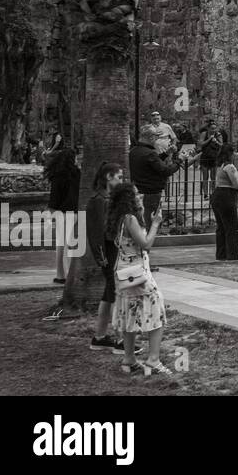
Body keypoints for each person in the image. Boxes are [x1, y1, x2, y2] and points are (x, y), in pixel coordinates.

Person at [106, 182, 171, 376]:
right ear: (128, 199)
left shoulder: (118, 219)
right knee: (156, 309)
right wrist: (156, 224)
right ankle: (153, 360)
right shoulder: (130, 219)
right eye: (136, 194)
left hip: (124, 273)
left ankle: (129, 360)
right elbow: (145, 244)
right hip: (138, 273)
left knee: (129, 313)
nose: (139, 195)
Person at [88, 162, 129, 352]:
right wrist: (101, 256)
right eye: (119, 177)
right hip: (108, 252)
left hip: (111, 250)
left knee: (108, 294)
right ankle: (121, 340)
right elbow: (96, 232)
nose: (121, 180)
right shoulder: (99, 200)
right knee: (115, 294)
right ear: (108, 177)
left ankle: (100, 336)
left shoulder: (106, 199)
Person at [210, 143, 238, 262]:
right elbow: (237, 184)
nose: (235, 154)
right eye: (234, 152)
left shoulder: (221, 166)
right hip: (226, 196)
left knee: (221, 227)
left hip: (217, 195)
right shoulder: (230, 167)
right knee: (232, 227)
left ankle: (221, 254)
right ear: (230, 154)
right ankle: (232, 255)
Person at [44, 147, 81, 284]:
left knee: (61, 244)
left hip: (61, 213)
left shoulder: (57, 175)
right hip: (76, 212)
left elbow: (54, 197)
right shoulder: (77, 173)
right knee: (73, 245)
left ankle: (61, 275)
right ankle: (72, 273)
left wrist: (52, 211)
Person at [128, 138, 178, 221]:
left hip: (139, 191)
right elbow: (166, 171)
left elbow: (151, 162)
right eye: (155, 138)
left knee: (142, 218)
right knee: (152, 221)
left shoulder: (134, 151)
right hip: (151, 193)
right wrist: (179, 161)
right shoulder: (150, 153)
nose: (156, 141)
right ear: (150, 138)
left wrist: (166, 153)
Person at [198, 119, 223, 198]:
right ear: (208, 128)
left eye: (215, 128)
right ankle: (205, 194)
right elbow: (200, 143)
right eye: (212, 128)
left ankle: (213, 193)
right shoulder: (204, 134)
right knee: (205, 177)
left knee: (213, 177)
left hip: (214, 157)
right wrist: (209, 139)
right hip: (205, 157)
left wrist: (216, 142)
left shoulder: (218, 135)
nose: (213, 130)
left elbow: (221, 145)